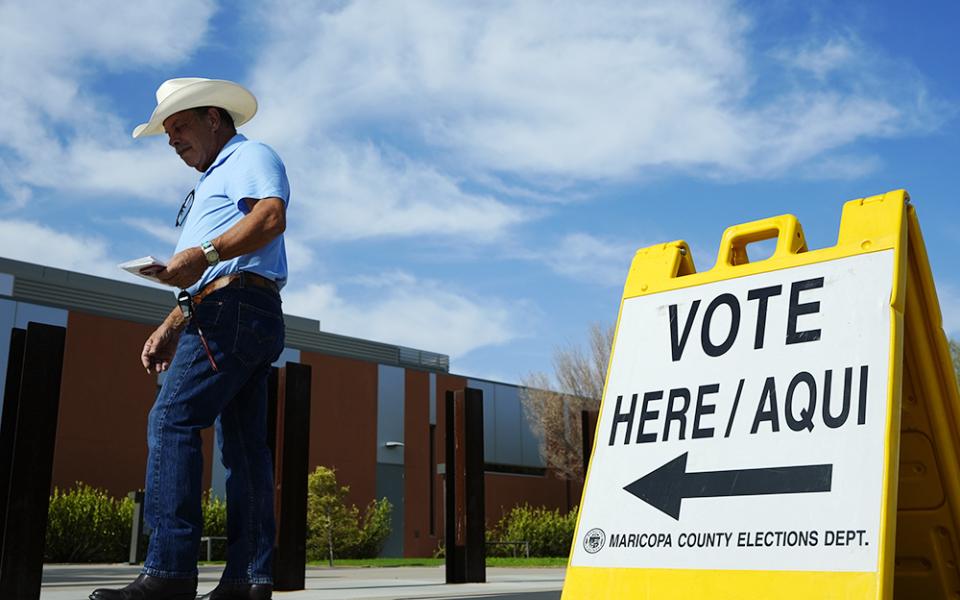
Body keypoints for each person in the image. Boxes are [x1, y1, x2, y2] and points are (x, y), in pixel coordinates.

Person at [91, 78, 289, 600]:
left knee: (172, 418)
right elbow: (206, 275)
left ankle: (170, 572)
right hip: (238, 308)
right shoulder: (212, 184)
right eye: (167, 132)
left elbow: (269, 218)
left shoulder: (248, 156)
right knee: (245, 450)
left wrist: (201, 254)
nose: (172, 140)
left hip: (235, 310)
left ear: (214, 119)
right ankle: (248, 580)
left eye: (179, 126)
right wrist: (170, 325)